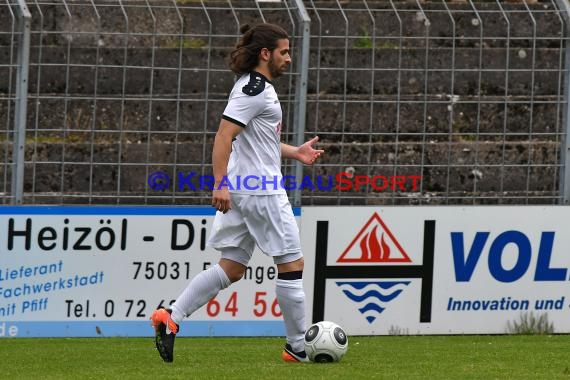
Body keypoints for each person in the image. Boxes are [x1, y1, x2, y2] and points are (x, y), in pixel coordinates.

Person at [151, 22, 324, 363]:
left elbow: (260, 141)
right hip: (260, 189)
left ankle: (171, 317)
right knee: (293, 263)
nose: (289, 59)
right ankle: (297, 347)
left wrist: (296, 153)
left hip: (248, 187)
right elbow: (223, 136)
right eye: (284, 52)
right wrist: (219, 183)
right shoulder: (255, 89)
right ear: (265, 54)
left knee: (231, 267)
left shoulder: (253, 87)